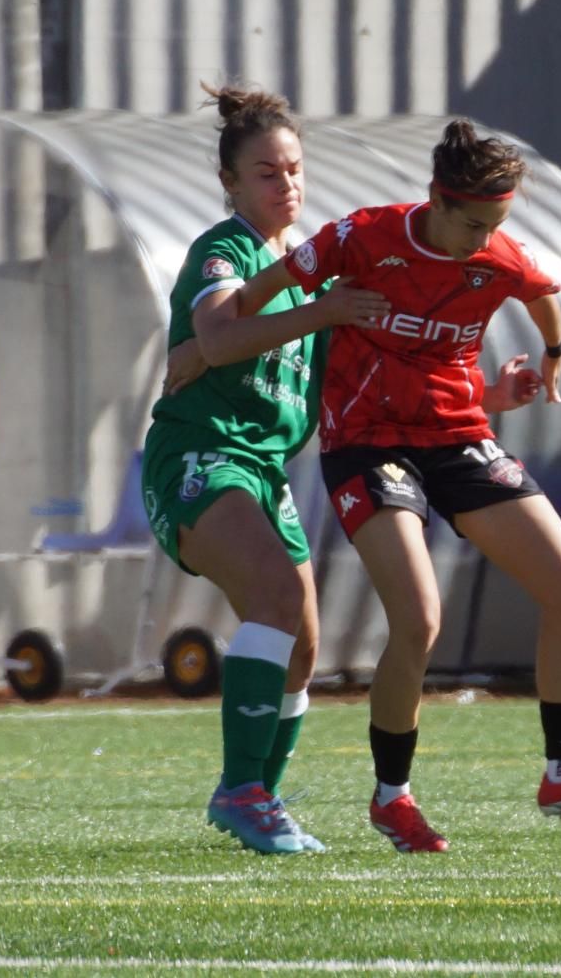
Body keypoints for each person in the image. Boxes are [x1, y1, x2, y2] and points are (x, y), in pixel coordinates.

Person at [230, 118, 561, 852]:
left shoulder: (496, 253)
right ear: (436, 198)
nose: (484, 239)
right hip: (365, 446)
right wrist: (319, 313)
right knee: (420, 618)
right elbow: (249, 302)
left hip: (459, 439)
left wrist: (549, 357)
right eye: (474, 223)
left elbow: (541, 294)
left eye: (498, 223)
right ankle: (392, 797)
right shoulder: (360, 238)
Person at [140, 83, 391, 855]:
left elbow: (370, 381)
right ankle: (241, 791)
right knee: (278, 597)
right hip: (199, 454)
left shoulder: (310, 275)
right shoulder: (229, 248)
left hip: (262, 469)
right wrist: (320, 311)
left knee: (305, 643)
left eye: (293, 170)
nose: (286, 185)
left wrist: (490, 391)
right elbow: (216, 335)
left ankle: (262, 797)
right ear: (230, 183)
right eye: (265, 173)